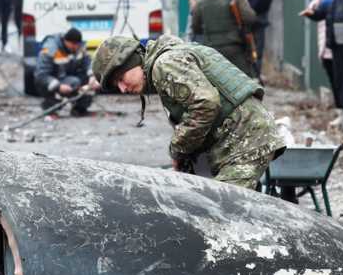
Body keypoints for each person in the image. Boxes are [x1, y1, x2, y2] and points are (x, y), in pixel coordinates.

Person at [91, 35, 286, 189]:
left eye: (121, 78)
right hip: (241, 138)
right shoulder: (169, 57)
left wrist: (178, 149)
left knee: (223, 214)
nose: (123, 89)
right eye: (117, 85)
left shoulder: (164, 64)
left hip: (247, 140)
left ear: (133, 61)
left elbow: (205, 104)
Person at [190, 0, 258, 78]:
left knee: (216, 83)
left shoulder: (200, 0)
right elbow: (250, 18)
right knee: (242, 81)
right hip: (235, 49)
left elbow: (196, 27)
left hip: (211, 50)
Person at [34, 28, 100, 116]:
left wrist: (92, 76)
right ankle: (50, 108)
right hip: (54, 80)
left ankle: (80, 109)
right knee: (69, 83)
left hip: (71, 79)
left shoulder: (79, 48)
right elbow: (41, 75)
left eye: (77, 44)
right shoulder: (50, 49)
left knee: (91, 82)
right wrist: (58, 86)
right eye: (73, 44)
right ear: (65, 41)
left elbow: (88, 62)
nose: (75, 47)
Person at [309, 0, 340, 113]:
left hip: (337, 46)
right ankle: (340, 109)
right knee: (333, 80)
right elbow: (313, 9)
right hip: (325, 47)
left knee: (340, 80)